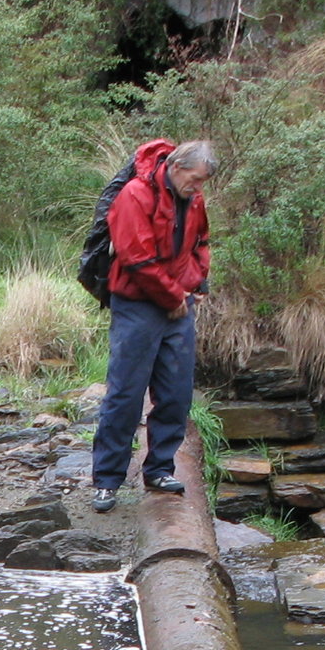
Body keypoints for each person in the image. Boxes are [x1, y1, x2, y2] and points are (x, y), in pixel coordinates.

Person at [88, 138, 215, 515]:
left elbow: (201, 242)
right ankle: (107, 481)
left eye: (203, 182)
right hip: (136, 304)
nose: (198, 189)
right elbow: (136, 257)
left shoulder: (193, 199)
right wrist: (173, 297)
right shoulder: (134, 195)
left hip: (178, 304)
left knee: (176, 394)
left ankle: (159, 469)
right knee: (126, 394)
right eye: (195, 180)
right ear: (176, 167)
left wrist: (197, 284)